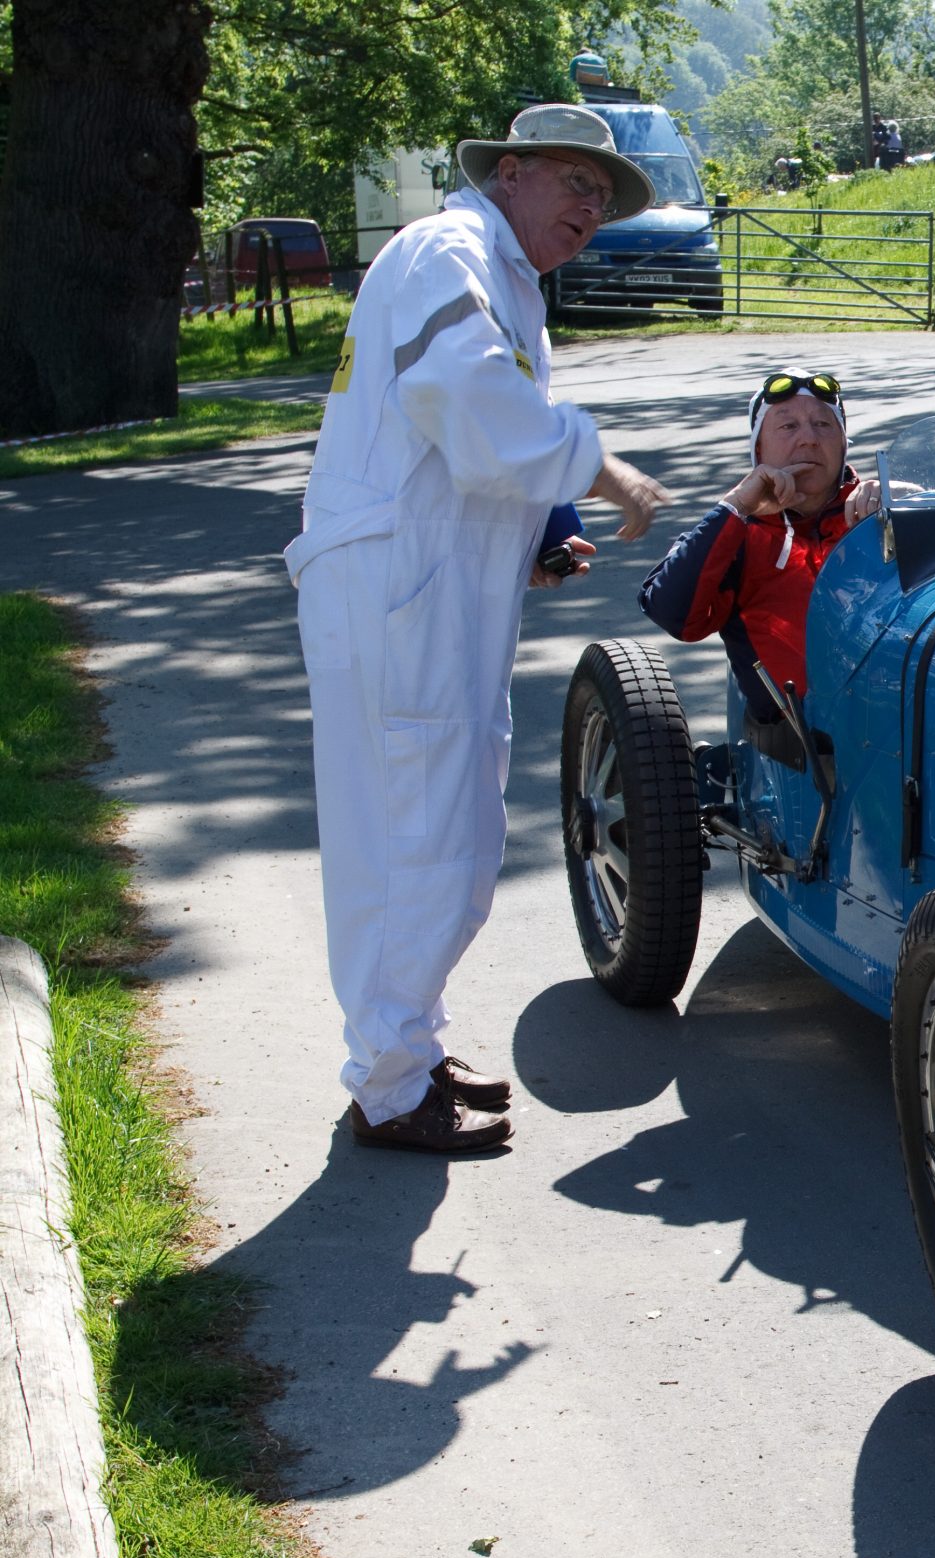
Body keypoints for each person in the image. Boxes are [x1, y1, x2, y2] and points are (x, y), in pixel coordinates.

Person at [285, 103, 671, 1155]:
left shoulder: (503, 280)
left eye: (603, 197)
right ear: (509, 173)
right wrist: (597, 466)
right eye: (574, 182)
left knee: (443, 831)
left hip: (429, 588)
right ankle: (390, 1084)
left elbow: (471, 435)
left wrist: (537, 530)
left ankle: (404, 1049)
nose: (590, 208)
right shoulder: (447, 251)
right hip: (399, 588)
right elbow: (467, 391)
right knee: (414, 836)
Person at [636, 372, 854, 726]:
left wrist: (908, 504)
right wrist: (736, 506)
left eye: (823, 424)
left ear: (844, 443)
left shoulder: (878, 513)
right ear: (759, 449)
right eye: (788, 426)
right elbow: (674, 614)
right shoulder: (737, 533)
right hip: (801, 740)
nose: (809, 439)